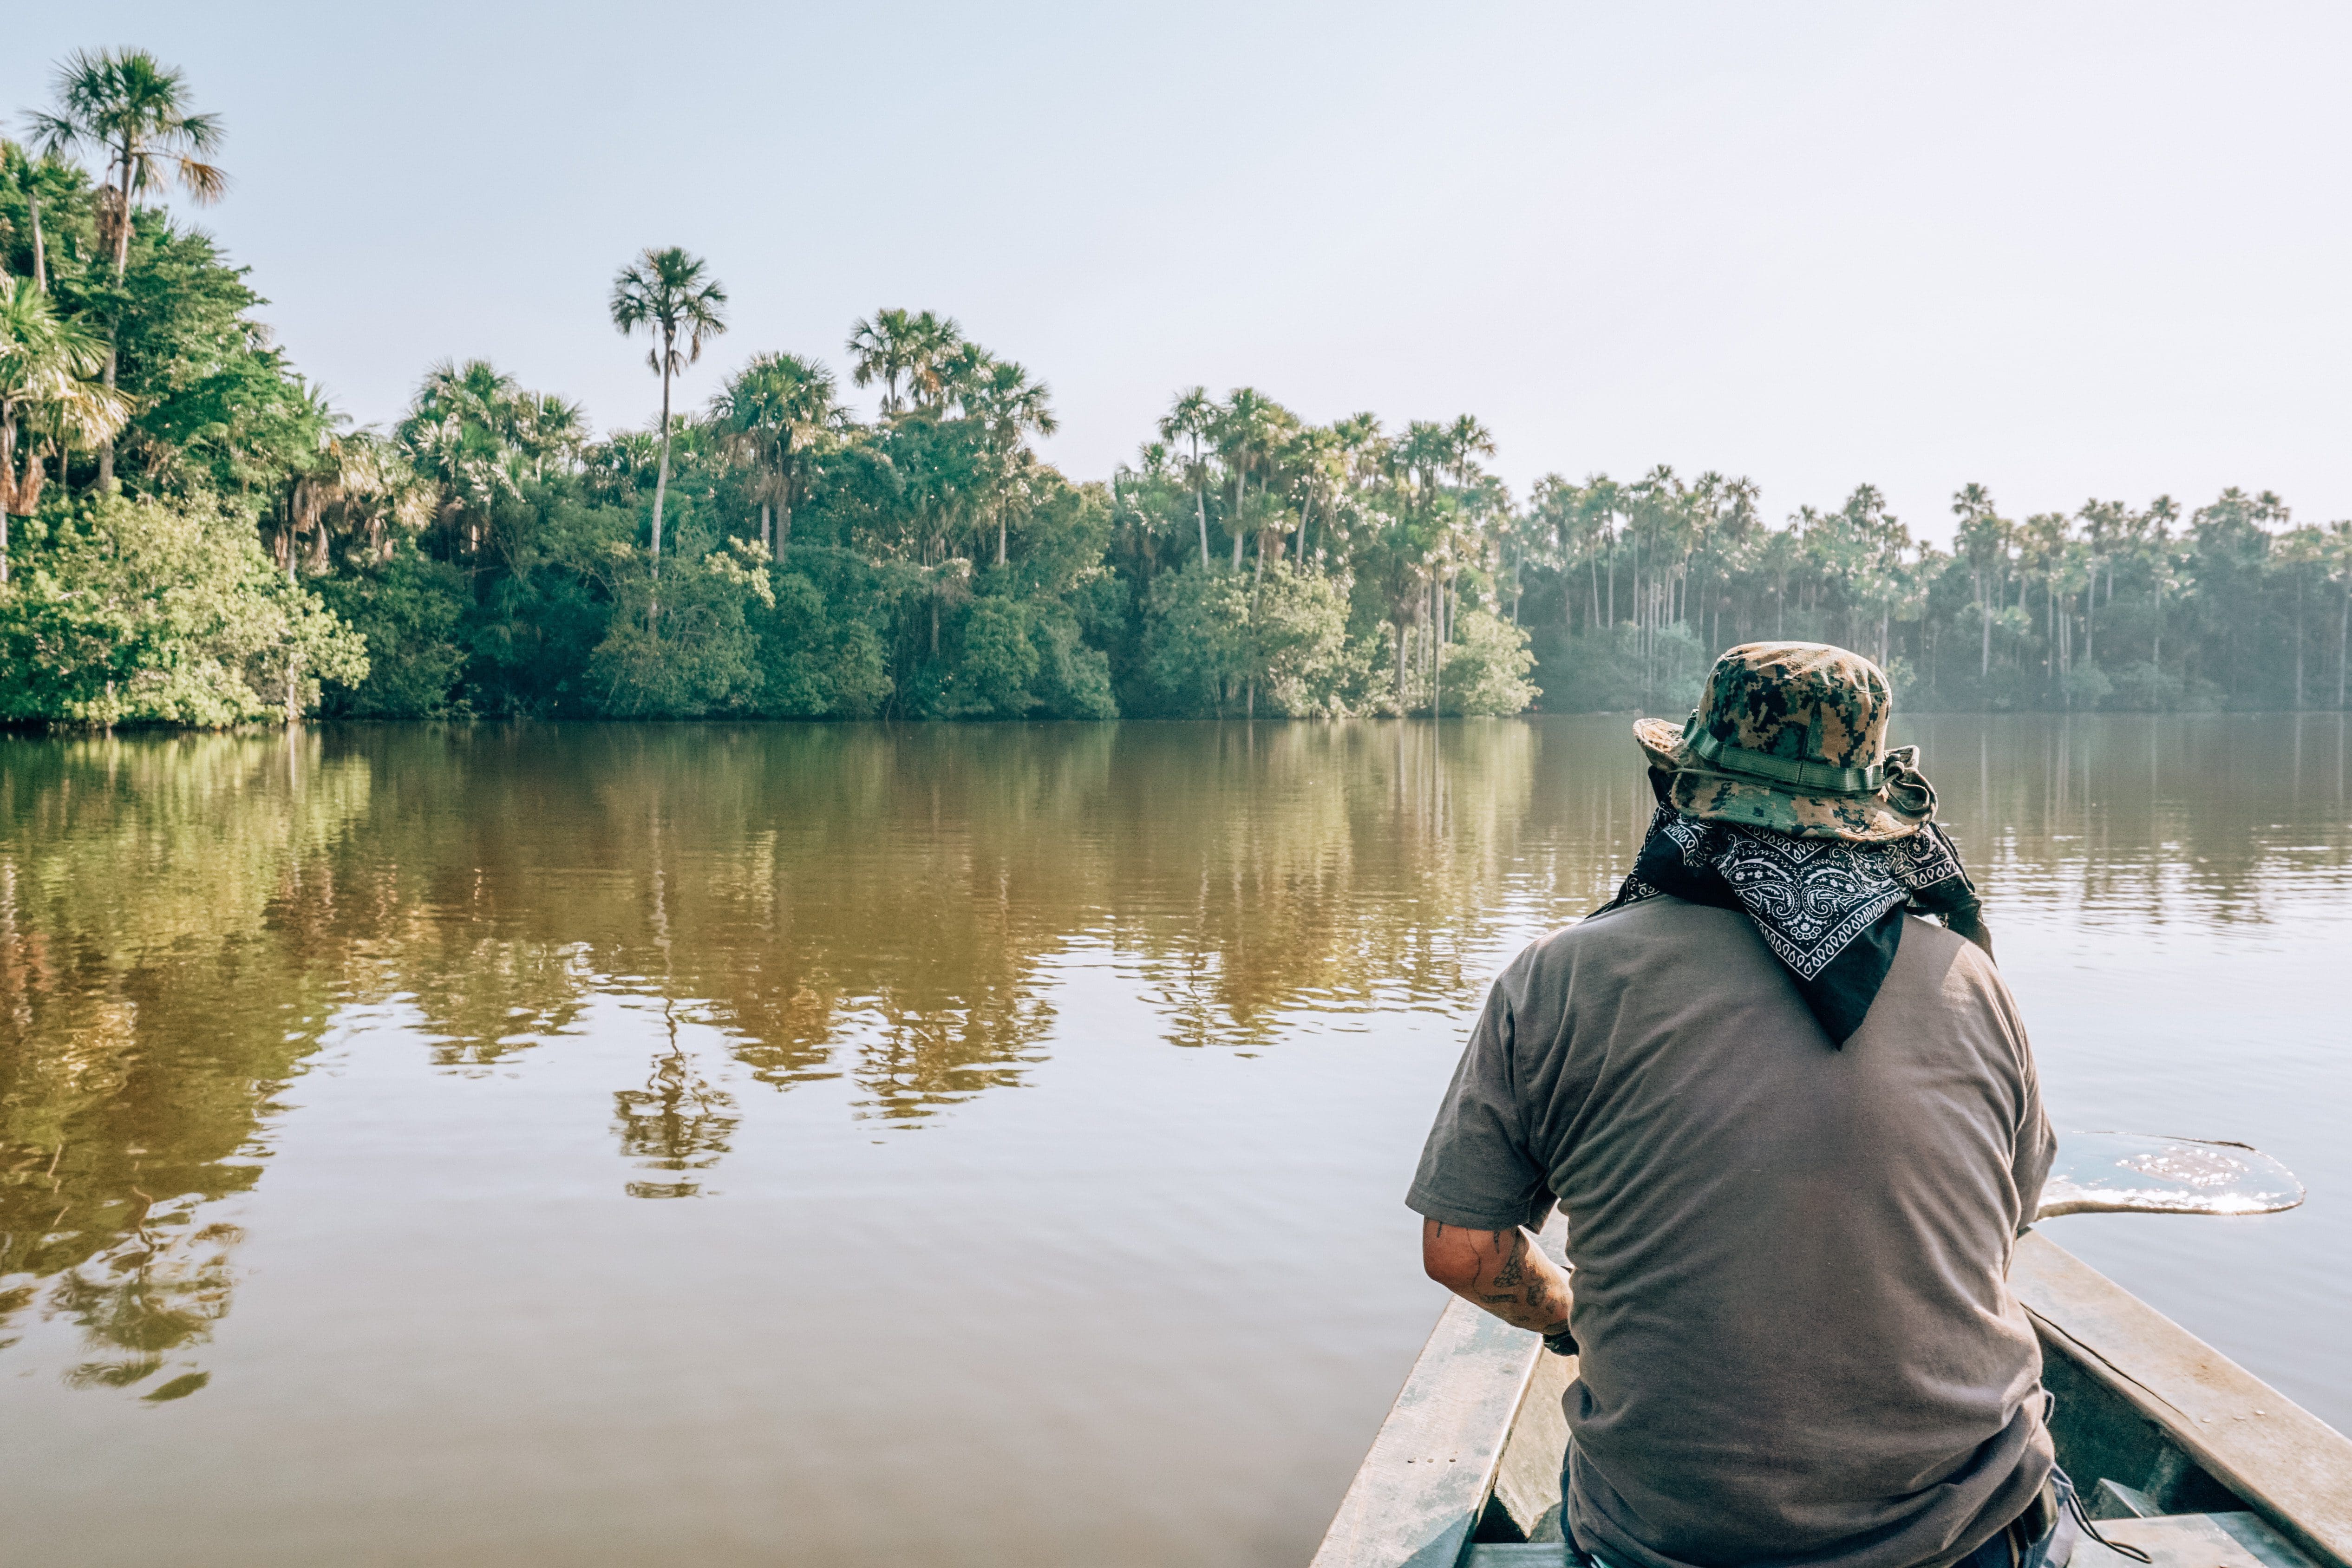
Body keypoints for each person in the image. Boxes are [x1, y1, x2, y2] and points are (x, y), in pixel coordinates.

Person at [1408, 642, 2084, 1568]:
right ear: (1874, 815)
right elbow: (2008, 1219)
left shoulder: (1557, 978)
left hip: (1663, 1542)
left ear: (1680, 788)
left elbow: (1464, 1249)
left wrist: (1569, 1314)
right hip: (1958, 1537)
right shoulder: (1971, 978)